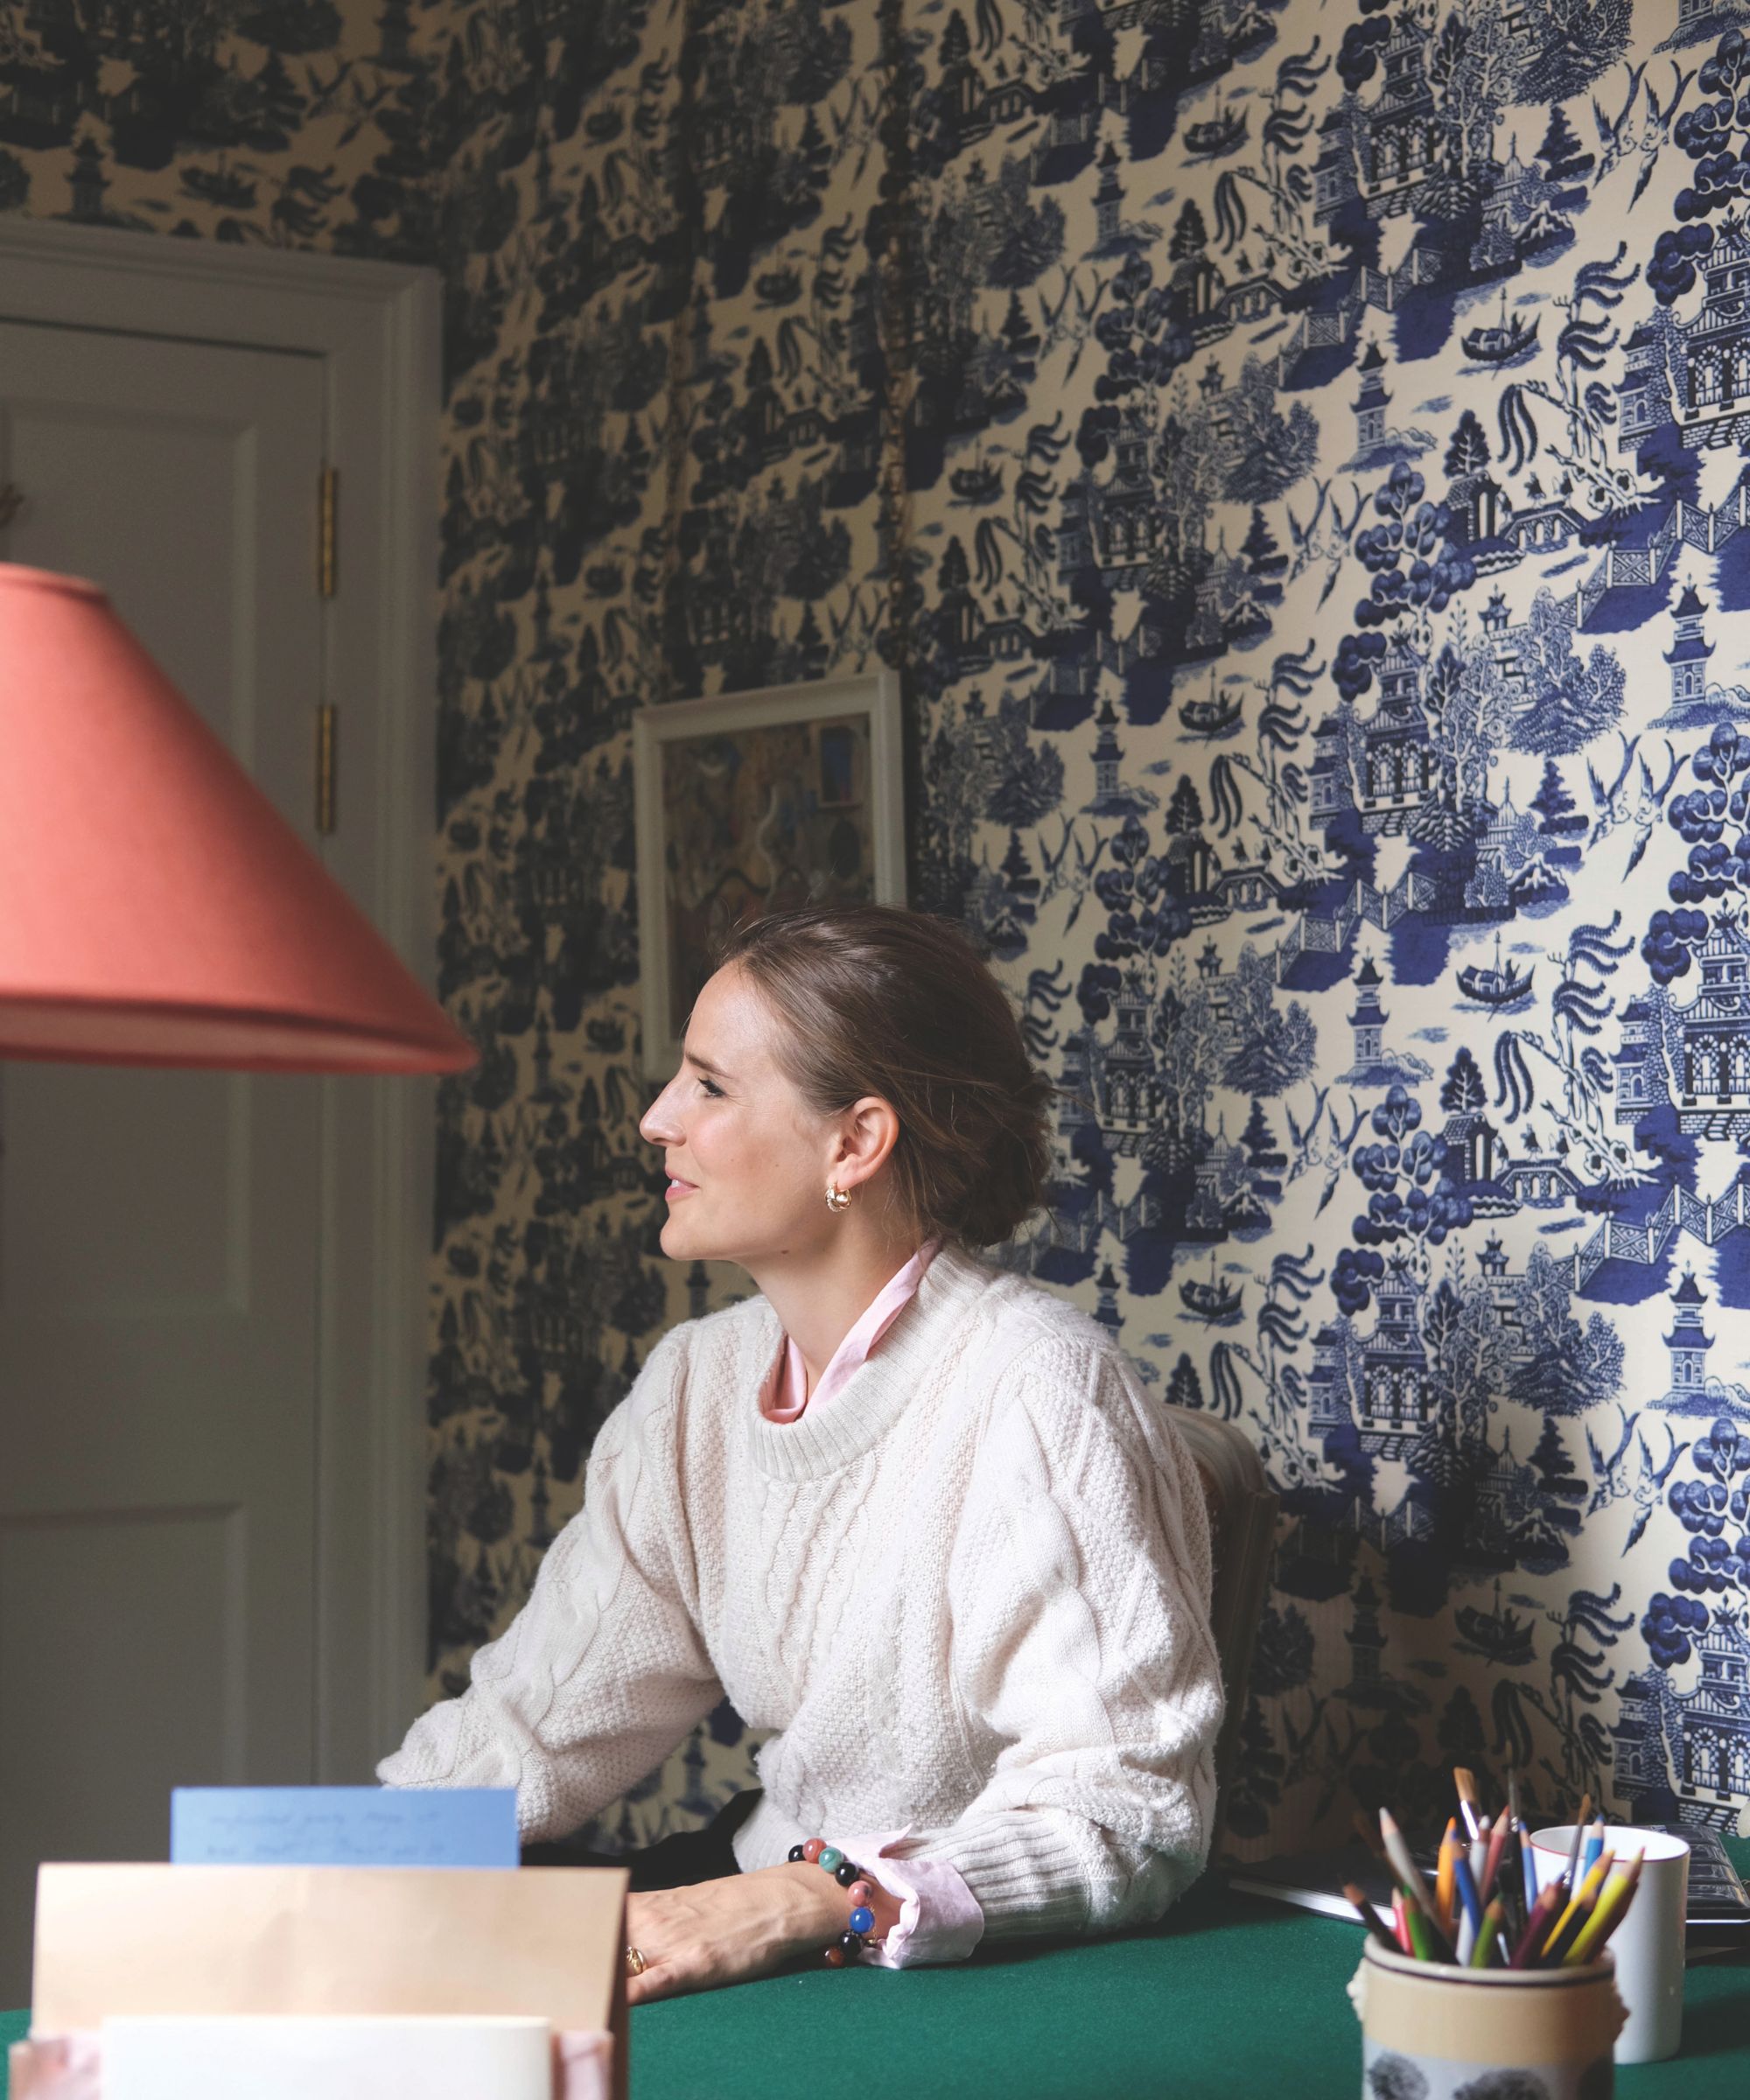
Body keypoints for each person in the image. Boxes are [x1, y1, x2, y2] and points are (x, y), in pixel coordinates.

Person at [380, 905, 1223, 2002]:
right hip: (747, 1891)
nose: (653, 1121)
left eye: (708, 1086)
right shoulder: (697, 1383)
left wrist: (811, 1897)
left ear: (854, 1142)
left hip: (950, 1971)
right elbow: (537, 1720)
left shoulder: (1040, 1392)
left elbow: (1132, 1812)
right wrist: (349, 1859)